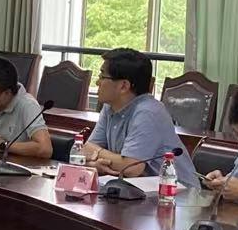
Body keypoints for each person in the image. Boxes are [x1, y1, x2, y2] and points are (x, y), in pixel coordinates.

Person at [85, 48, 199, 187]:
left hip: (179, 193)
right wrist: (95, 164)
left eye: (102, 76)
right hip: (140, 189)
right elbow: (86, 149)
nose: (97, 82)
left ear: (123, 86)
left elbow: (132, 167)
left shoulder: (148, 112)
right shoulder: (110, 107)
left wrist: (97, 153)